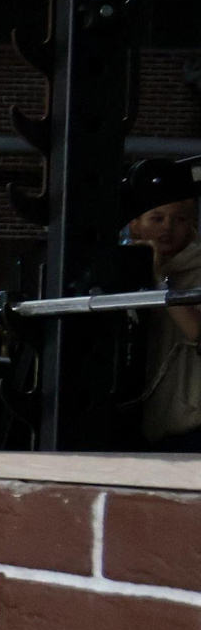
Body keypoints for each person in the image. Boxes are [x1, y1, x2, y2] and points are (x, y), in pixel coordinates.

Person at [128, 194, 201, 452]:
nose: (168, 228)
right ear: (135, 224)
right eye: (157, 219)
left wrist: (160, 281)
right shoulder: (122, 266)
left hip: (186, 418)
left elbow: (195, 329)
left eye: (179, 219)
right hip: (132, 411)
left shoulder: (197, 267)